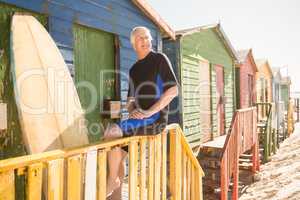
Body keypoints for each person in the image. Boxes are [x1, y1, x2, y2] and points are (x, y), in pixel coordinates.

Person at [104, 26, 178, 198]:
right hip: (139, 119)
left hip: (155, 119)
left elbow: (173, 90)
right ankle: (115, 194)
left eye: (147, 37)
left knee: (112, 131)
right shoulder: (134, 69)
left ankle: (112, 180)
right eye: (140, 38)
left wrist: (147, 112)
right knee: (118, 155)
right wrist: (132, 110)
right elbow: (130, 99)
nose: (144, 41)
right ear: (133, 44)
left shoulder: (159, 59)